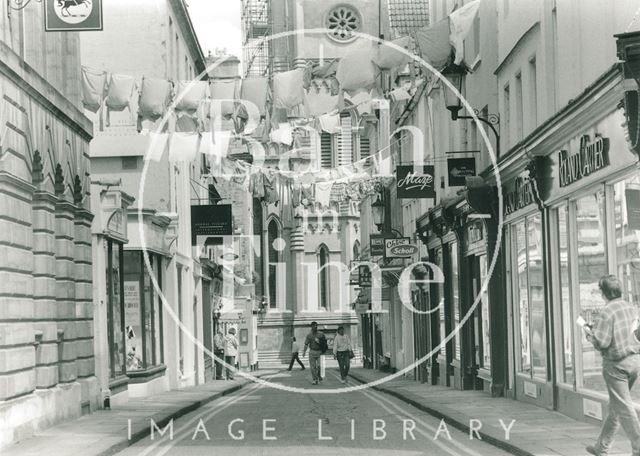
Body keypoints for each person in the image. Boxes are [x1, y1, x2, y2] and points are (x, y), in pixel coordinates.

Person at [585, 275, 640, 456]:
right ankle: (602, 447)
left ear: (604, 293)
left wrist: (589, 334)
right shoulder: (630, 307)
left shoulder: (607, 311)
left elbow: (602, 342)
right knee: (616, 406)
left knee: (623, 406)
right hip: (634, 361)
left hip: (616, 365)